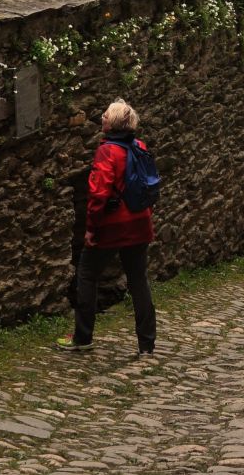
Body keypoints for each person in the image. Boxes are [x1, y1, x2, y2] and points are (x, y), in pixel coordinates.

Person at [56, 99, 156, 355]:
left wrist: (91, 229)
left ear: (114, 123)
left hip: (113, 225)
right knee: (138, 281)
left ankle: (83, 337)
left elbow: (99, 194)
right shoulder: (140, 147)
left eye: (105, 115)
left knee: (87, 274)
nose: (101, 117)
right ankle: (146, 343)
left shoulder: (108, 152)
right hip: (140, 222)